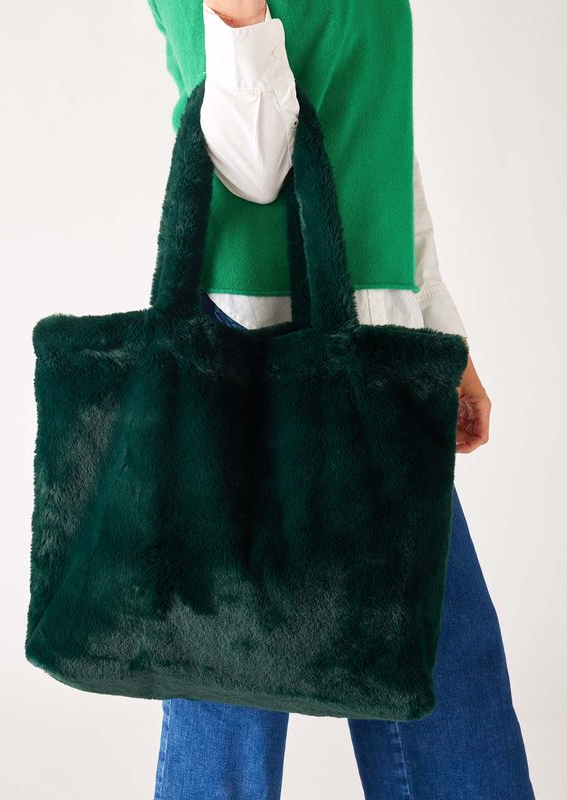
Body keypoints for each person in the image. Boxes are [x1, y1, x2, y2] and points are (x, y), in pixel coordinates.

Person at [147, 2, 536, 797]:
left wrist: (437, 328)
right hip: (248, 351)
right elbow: (252, 169)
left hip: (379, 347)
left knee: (441, 669)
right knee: (232, 698)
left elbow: (385, 152)